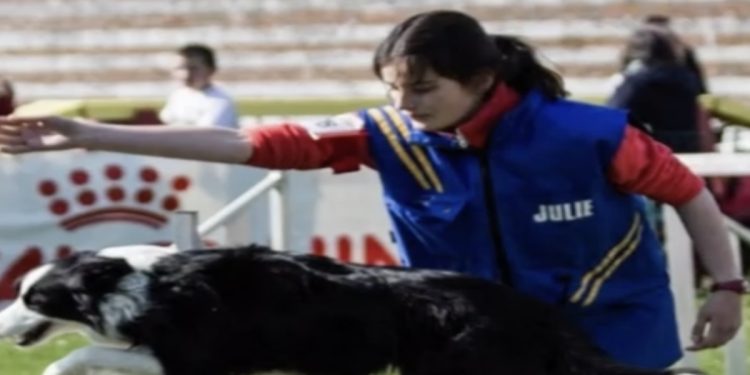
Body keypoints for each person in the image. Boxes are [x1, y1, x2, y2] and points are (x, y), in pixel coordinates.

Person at [0, 10, 742, 371]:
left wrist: (727, 285)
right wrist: (93, 134)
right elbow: (250, 143)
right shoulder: (387, 133)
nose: (406, 104)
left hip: (612, 327)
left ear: (482, 80)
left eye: (423, 88)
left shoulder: (591, 135)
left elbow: (690, 193)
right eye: (395, 89)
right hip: (466, 334)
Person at [159, 43, 239, 129]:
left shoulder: (220, 102)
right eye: (180, 68)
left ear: (211, 70)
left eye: (193, 68)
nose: (186, 74)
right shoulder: (178, 94)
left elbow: (203, 137)